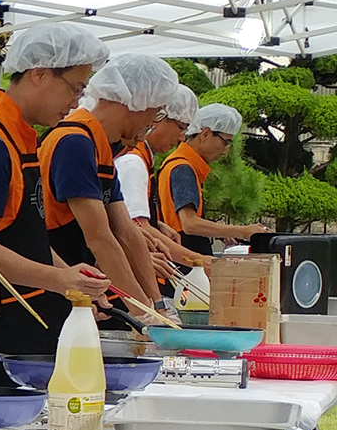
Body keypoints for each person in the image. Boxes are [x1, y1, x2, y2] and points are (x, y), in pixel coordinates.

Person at [0, 22, 112, 387]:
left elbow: (27, 233)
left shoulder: (22, 136)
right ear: (39, 74)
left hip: (27, 318)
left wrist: (74, 281)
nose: (77, 102)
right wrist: (59, 279)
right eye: (75, 88)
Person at [37, 52, 180, 312]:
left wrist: (156, 303)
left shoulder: (100, 145)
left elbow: (127, 231)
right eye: (156, 113)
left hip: (78, 285)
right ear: (138, 102)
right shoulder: (75, 142)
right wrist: (142, 311)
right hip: (50, 283)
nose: (152, 124)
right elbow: (100, 238)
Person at [116, 84, 211, 282]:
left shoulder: (142, 158)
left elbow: (131, 216)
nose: (180, 138)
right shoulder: (133, 162)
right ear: (157, 117)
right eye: (180, 127)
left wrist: (155, 224)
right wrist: (199, 260)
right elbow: (135, 228)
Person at [157, 102, 260, 254]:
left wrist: (219, 231)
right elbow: (190, 224)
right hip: (186, 261)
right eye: (225, 142)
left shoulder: (177, 163)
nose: (226, 151)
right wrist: (243, 231)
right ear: (205, 134)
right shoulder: (183, 168)